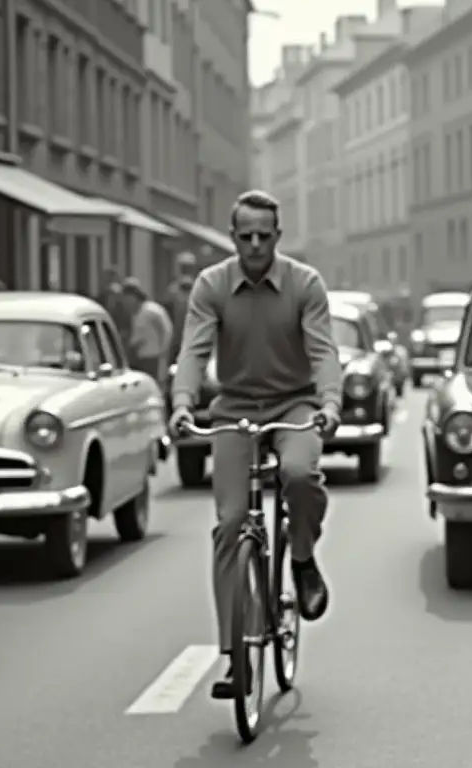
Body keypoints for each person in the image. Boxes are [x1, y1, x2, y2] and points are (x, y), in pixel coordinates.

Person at [167, 190, 345, 701]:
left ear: (277, 237)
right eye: (245, 236)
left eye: (264, 236)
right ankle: (234, 656)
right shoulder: (212, 286)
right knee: (227, 525)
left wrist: (329, 403)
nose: (254, 245)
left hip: (294, 405)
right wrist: (182, 402)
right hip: (234, 408)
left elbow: (322, 351)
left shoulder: (304, 284)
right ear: (232, 237)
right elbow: (194, 351)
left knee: (299, 475)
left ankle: (304, 559)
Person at [121, 277, 173, 381]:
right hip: (140, 357)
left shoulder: (151, 310)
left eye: (128, 298)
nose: (126, 302)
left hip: (153, 357)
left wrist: (163, 352)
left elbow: (166, 330)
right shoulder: (135, 314)